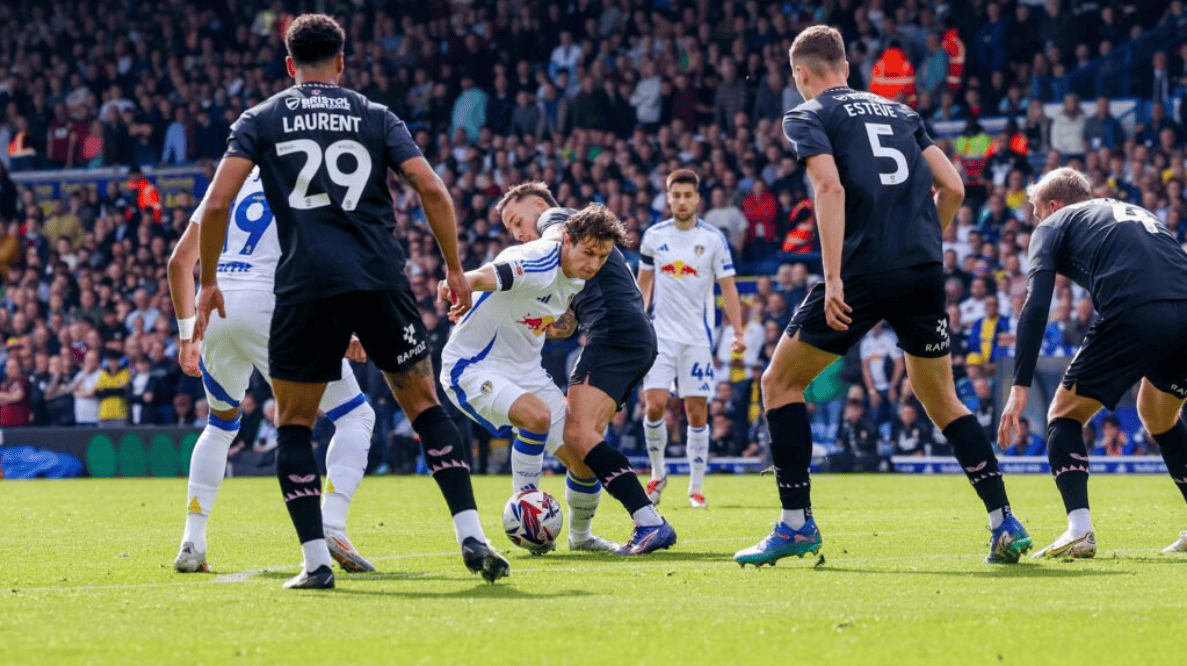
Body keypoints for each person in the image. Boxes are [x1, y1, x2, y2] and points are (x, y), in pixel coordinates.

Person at [194, 14, 506, 589]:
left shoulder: (260, 118)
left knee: (294, 423)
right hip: (380, 279)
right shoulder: (377, 115)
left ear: (289, 65)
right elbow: (432, 189)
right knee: (425, 406)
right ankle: (472, 533)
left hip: (305, 286)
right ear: (341, 61)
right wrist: (454, 268)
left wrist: (209, 279)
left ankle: (316, 562)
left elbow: (215, 206)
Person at [735, 26, 1030, 568]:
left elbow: (829, 188)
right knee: (942, 400)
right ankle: (1004, 521)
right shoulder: (900, 112)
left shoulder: (808, 114)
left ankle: (795, 524)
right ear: (847, 68)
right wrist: (924, 246)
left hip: (862, 270)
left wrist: (833, 278)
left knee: (779, 383)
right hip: (922, 269)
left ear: (800, 74)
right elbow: (954, 187)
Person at [169, 167, 378, 575]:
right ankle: (332, 522)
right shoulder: (305, 177)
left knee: (220, 426)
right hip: (271, 304)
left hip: (216, 307)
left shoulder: (227, 183)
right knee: (355, 414)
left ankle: (192, 541)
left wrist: (185, 336)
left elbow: (179, 262)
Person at [999, 167, 1187, 558]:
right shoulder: (1132, 211)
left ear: (1054, 205)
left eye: (1037, 213)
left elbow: (1036, 303)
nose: (1036, 222)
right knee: (1158, 414)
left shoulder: (1054, 225)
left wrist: (1019, 384)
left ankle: (1079, 530)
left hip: (1135, 310)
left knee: (1064, 415)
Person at [497, 183, 675, 555]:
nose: (517, 234)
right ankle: (585, 537)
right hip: (630, 336)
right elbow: (565, 326)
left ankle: (648, 521)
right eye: (510, 229)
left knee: (577, 433)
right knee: (585, 441)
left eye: (516, 220)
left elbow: (549, 239)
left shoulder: (559, 222)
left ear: (539, 205)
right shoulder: (571, 260)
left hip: (613, 334)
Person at [439, 205, 621, 553]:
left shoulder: (577, 276)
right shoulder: (537, 259)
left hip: (526, 371)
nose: (594, 263)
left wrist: (562, 324)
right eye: (588, 253)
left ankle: (581, 538)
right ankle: (526, 514)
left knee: (585, 455)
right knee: (536, 416)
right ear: (567, 240)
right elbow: (490, 274)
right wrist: (460, 285)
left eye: (602, 256)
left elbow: (549, 318)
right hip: (473, 366)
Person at [636, 169, 744, 508]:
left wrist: (738, 331)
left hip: (697, 338)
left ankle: (696, 487)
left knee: (696, 411)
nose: (682, 201)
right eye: (676, 195)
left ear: (697, 198)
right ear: (668, 198)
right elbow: (644, 284)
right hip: (661, 336)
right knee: (654, 404)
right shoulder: (653, 236)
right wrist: (637, 322)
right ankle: (658, 474)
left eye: (688, 195)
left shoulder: (713, 239)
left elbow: (728, 287)